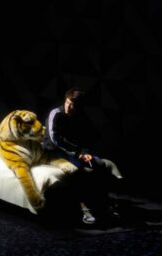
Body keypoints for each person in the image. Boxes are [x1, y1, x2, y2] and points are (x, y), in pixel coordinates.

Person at [43, 87, 123, 224]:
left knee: (98, 164)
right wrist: (77, 154)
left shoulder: (80, 117)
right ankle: (85, 209)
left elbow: (86, 138)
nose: (69, 107)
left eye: (73, 105)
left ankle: (105, 204)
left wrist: (86, 153)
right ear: (65, 101)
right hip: (53, 152)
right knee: (80, 171)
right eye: (68, 103)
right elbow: (55, 140)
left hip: (74, 152)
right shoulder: (55, 113)